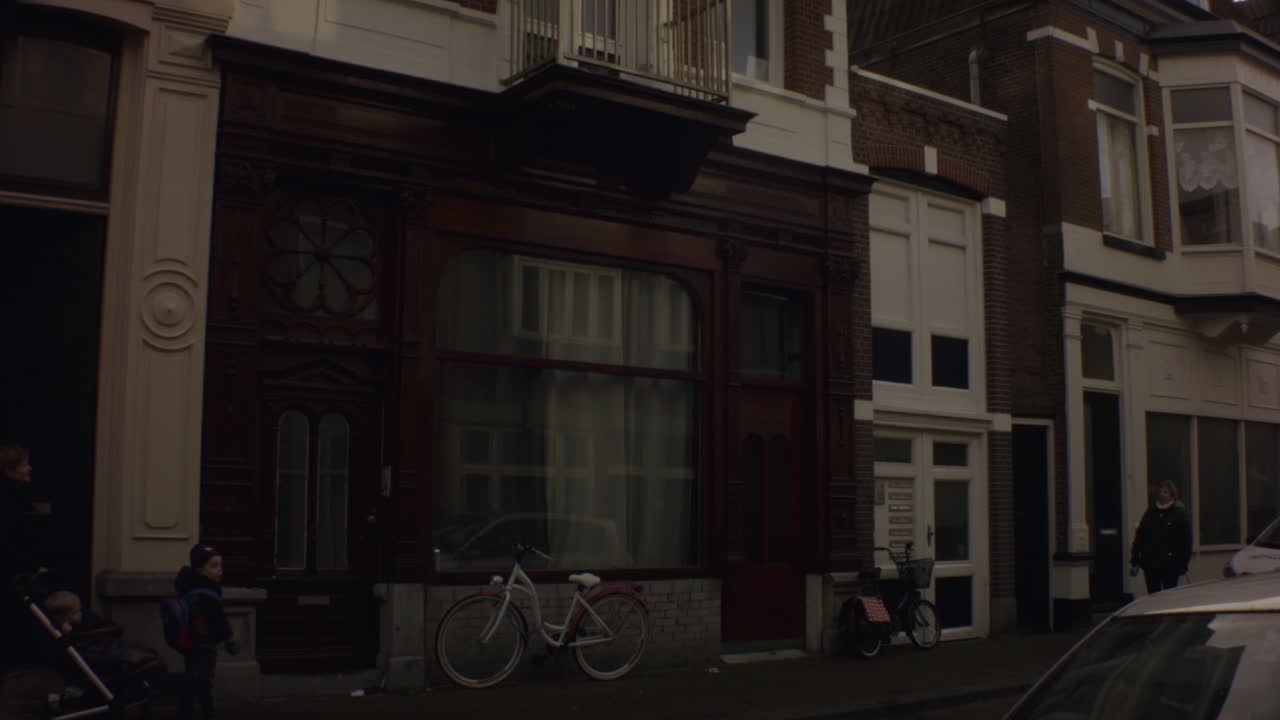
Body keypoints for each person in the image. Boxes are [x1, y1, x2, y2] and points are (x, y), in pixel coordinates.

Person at [174, 544, 237, 720]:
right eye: (214, 566)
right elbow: (219, 621)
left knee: (192, 679)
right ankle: (207, 714)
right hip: (204, 644)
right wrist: (229, 640)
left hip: (191, 643)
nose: (219, 571)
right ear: (200, 569)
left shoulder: (188, 587)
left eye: (220, 565)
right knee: (203, 682)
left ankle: (184, 712)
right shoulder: (207, 594)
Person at [1130, 480, 1193, 594]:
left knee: (1169, 594)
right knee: (1153, 594)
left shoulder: (1179, 514)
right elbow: (1141, 535)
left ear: (1172, 495)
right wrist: (1136, 558)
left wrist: (1183, 563)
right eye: (1160, 491)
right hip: (1151, 563)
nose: (1161, 494)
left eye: (1165, 492)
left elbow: (1186, 541)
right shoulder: (1151, 513)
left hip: (1170, 564)